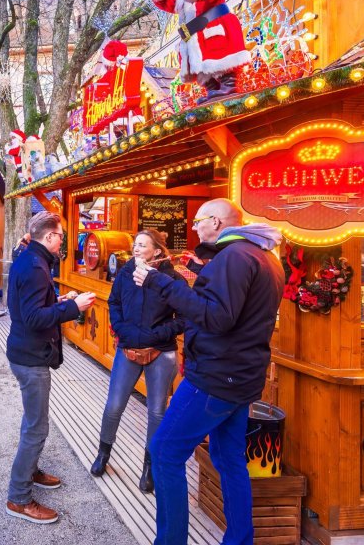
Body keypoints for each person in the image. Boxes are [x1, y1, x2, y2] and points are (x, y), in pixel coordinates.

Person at [132, 198, 284, 545]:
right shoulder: (264, 257)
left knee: (165, 452)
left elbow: (217, 317)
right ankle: (240, 539)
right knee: (229, 459)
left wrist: (162, 283)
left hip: (215, 376)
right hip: (243, 377)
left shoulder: (233, 257)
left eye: (199, 221)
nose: (194, 228)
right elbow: (230, 309)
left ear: (217, 222)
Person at [5, 211, 96, 524]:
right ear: (49, 236)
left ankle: (30, 472)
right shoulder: (34, 266)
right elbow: (31, 318)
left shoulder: (32, 259)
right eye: (61, 235)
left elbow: (27, 306)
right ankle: (18, 498)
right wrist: (73, 307)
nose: (63, 241)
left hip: (27, 352)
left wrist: (59, 299)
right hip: (30, 357)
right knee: (37, 427)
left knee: (33, 422)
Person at [91, 230, 185, 493]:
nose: (135, 249)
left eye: (142, 245)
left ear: (156, 251)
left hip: (161, 350)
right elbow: (115, 303)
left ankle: (149, 467)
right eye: (135, 244)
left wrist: (157, 335)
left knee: (156, 411)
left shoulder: (173, 278)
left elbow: (184, 317)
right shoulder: (124, 273)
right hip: (128, 346)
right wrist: (124, 332)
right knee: (114, 405)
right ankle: (103, 453)